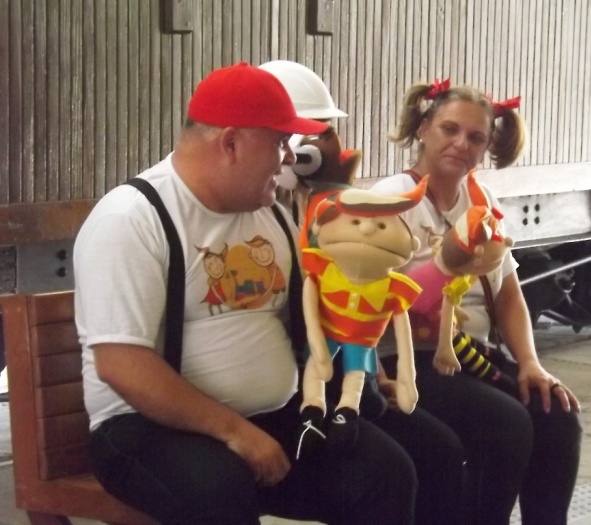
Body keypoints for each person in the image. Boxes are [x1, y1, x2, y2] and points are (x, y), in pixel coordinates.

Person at [75, 62, 434, 525]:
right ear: (230, 143)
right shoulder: (132, 219)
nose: (289, 158)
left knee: (385, 472)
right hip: (145, 428)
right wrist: (236, 433)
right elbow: (121, 364)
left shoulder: (270, 214)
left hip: (268, 415)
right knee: (217, 490)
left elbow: (310, 317)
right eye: (280, 142)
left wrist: (362, 365)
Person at [262, 60, 467, 525]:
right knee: (389, 471)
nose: (310, 147)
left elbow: (357, 306)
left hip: (347, 379)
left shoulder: (327, 207)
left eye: (322, 133)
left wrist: (376, 375)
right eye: (297, 135)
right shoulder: (263, 214)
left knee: (441, 449)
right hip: (305, 389)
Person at [372, 78, 583, 525]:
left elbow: (507, 293)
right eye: (449, 129)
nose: (461, 144)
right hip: (408, 358)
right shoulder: (391, 200)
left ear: (487, 147)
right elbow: (370, 302)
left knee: (557, 414)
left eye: (475, 137)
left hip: (471, 355)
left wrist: (530, 363)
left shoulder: (482, 199)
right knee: (506, 424)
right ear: (424, 128)